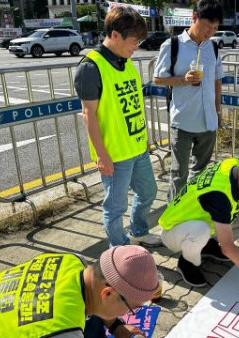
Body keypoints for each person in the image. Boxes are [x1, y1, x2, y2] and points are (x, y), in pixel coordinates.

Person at [0, 246, 159, 338]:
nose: (134, 314)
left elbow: (90, 304)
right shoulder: (61, 330)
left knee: (89, 320)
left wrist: (117, 327)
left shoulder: (71, 261)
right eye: (133, 308)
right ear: (107, 293)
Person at [75, 6, 160, 247]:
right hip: (115, 155)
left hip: (137, 148)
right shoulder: (91, 68)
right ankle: (119, 251)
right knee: (115, 207)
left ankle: (139, 230)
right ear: (114, 35)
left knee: (148, 192)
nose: (136, 47)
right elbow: (88, 115)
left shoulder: (126, 61)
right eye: (134, 41)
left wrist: (144, 140)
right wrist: (102, 156)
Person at [159, 150, 239, 288]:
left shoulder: (234, 166)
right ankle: (187, 263)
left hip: (195, 221)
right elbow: (228, 248)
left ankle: (207, 245)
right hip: (173, 231)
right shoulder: (220, 194)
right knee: (202, 231)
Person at [153, 0, 224, 199]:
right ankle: (173, 218)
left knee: (201, 173)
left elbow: (217, 82)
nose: (210, 32)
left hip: (208, 122)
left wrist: (218, 112)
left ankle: (192, 210)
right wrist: (183, 80)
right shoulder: (172, 45)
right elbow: (158, 79)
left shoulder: (214, 48)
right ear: (194, 18)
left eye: (215, 28)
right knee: (179, 174)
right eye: (207, 26)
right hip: (183, 121)